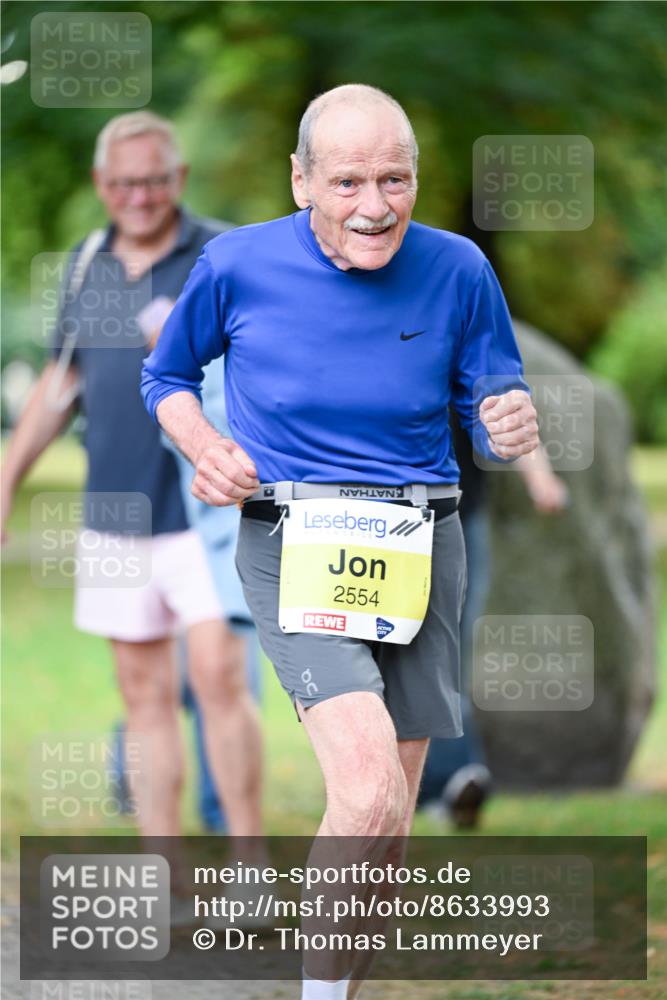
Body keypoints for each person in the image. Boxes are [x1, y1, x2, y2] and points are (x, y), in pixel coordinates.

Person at [141, 85, 539, 998]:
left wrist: (507, 424)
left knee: (389, 817)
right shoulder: (235, 264)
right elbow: (165, 374)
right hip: (296, 538)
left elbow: (492, 401)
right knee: (363, 790)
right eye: (349, 180)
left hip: (423, 540)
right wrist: (206, 447)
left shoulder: (458, 268)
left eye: (394, 179)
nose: (374, 205)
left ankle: (341, 987)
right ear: (300, 181)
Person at [1, 112, 264, 858]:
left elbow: (267, 367)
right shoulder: (87, 266)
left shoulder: (221, 252)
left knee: (219, 680)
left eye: (154, 180)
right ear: (101, 186)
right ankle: (165, 867)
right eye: (124, 183)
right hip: (115, 514)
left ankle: (248, 863)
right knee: (143, 696)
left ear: (177, 179)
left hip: (210, 513)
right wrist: (6, 479)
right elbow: (62, 382)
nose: (140, 197)